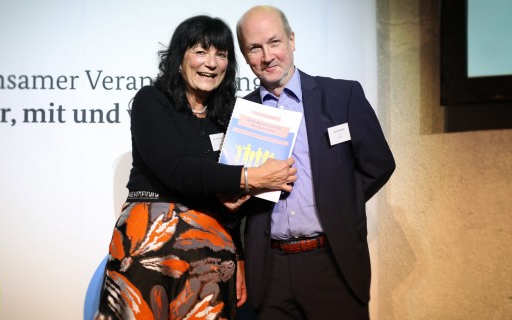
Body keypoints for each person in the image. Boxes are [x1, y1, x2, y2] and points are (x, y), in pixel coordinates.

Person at [95, 15, 297, 320]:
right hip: (151, 246)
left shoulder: (232, 116)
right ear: (180, 56)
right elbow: (177, 170)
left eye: (221, 54)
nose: (211, 63)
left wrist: (239, 257)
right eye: (201, 51)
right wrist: (248, 177)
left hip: (213, 256)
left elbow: (235, 206)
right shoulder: (152, 101)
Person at [235, 6, 396, 319]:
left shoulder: (341, 95)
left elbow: (379, 165)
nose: (267, 56)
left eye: (275, 42)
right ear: (245, 55)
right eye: (255, 48)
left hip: (332, 263)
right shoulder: (243, 113)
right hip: (271, 271)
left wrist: (338, 203)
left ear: (292, 40)